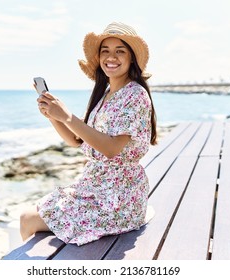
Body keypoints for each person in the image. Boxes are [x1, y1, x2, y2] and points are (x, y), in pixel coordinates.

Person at [20, 22, 157, 246]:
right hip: (95, 186)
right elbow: (76, 141)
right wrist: (53, 116)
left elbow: (112, 149)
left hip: (119, 197)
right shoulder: (104, 96)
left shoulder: (136, 94)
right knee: (35, 210)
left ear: (131, 58)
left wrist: (66, 116)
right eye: (105, 51)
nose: (111, 57)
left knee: (28, 219)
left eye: (119, 51)